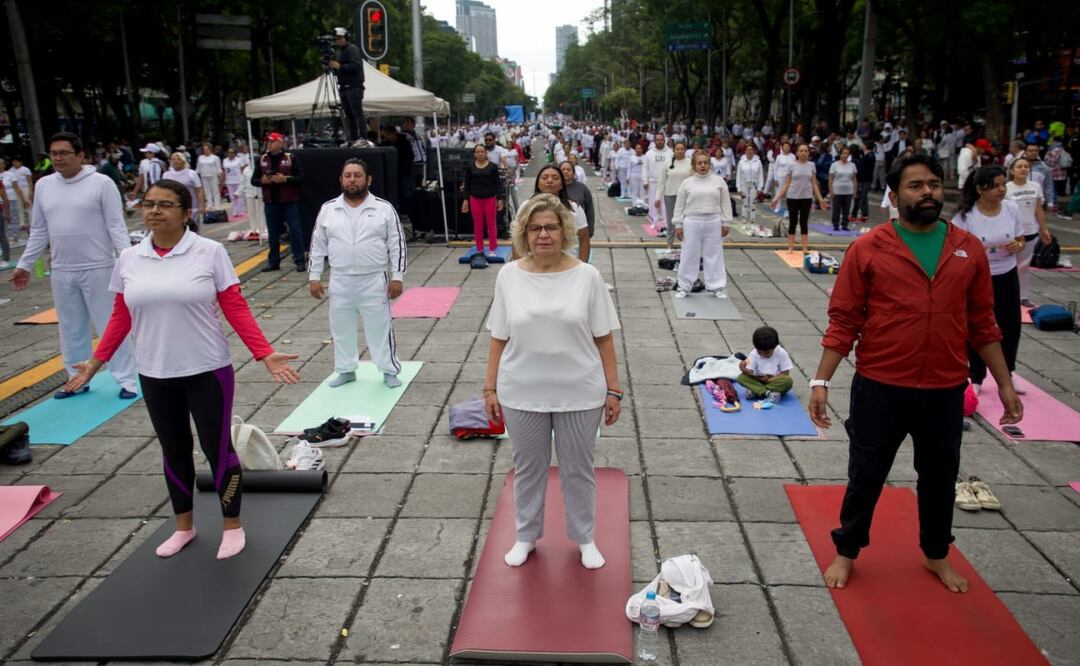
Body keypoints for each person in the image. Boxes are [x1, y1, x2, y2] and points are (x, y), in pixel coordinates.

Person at [809, 153, 1023, 593]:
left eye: (932, 184)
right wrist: (820, 381)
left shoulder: (967, 248)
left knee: (940, 476)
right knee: (866, 473)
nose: (927, 192)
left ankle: (935, 554)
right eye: (915, 185)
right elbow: (843, 321)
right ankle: (847, 551)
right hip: (881, 386)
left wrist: (1004, 383)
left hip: (945, 387)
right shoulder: (869, 248)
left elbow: (984, 323)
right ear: (892, 195)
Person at [61, 179, 300, 560]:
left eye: (166, 205)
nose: (155, 210)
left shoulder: (209, 252)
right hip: (155, 373)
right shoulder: (130, 258)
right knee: (174, 450)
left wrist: (264, 353)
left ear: (186, 213)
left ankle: (232, 526)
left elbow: (234, 305)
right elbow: (121, 314)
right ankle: (184, 527)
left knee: (217, 449)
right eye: (149, 203)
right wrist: (96, 362)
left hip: (207, 370)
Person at [483, 193, 622, 570]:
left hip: (580, 390)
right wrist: (490, 387)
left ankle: (585, 538)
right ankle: (526, 536)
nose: (543, 234)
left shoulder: (587, 276)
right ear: (524, 234)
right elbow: (499, 336)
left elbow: (604, 337)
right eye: (535, 228)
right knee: (528, 467)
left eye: (551, 227)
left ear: (565, 232)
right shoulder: (508, 276)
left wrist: (613, 389)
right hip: (522, 390)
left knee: (579, 467)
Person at [10, 132, 139, 399]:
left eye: (64, 153)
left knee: (109, 326)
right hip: (62, 270)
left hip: (100, 267)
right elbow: (39, 230)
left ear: (80, 155)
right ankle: (76, 378)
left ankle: (126, 380)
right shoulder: (45, 185)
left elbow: (116, 226)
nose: (58, 158)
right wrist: (24, 264)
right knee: (70, 328)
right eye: (54, 153)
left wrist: (128, 263)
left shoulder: (101, 183)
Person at [308, 158, 406, 389]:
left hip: (374, 278)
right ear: (341, 179)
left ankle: (389, 369)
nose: (352, 180)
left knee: (379, 328)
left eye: (357, 175)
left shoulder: (383, 208)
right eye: (348, 175)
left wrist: (397, 276)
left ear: (368, 180)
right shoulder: (328, 209)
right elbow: (317, 245)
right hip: (340, 279)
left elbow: (397, 244)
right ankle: (346, 369)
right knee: (340, 328)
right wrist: (314, 277)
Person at [951, 166, 1024, 394]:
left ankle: (1009, 371)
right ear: (981, 188)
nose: (1002, 189)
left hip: (1007, 273)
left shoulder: (1011, 209)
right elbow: (955, 249)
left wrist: (1017, 245)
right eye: (996, 185)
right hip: (978, 278)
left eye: (1004, 184)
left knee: (1010, 325)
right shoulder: (966, 215)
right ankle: (977, 375)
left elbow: (1020, 238)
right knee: (977, 325)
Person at [672, 151, 733, 298]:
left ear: (710, 164)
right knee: (689, 254)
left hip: (713, 221)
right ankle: (685, 286)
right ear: (694, 165)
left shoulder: (719, 181)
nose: (703, 166)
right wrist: (678, 225)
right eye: (699, 163)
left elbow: (725, 203)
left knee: (714, 254)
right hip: (691, 221)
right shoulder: (686, 183)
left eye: (705, 162)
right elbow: (679, 206)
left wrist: (726, 222)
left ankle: (717, 286)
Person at [251, 132, 306, 273]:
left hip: (289, 201)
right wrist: (262, 181)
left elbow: (300, 178)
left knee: (295, 231)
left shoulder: (290, 157)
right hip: (270, 201)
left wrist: (286, 179)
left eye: (272, 142)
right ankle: (273, 261)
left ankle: (299, 260)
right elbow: (254, 180)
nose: (269, 144)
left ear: (280, 143)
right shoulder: (262, 159)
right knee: (273, 233)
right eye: (268, 142)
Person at [1006, 157, 1052, 307]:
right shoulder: (1006, 188)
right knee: (1008, 266)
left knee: (1024, 267)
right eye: (1019, 166)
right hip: (1011, 234)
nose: (1023, 169)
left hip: (1030, 232)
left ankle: (1023, 296)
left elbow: (1038, 210)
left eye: (1026, 166)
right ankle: (1006, 295)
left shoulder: (1035, 187)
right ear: (1012, 170)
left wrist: (1044, 228)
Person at [524, 165, 589, 262]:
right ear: (537, 183)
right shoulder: (525, 207)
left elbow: (584, 240)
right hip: (534, 267)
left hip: (568, 267)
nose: (549, 181)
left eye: (555, 178)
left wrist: (583, 268)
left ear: (562, 184)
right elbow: (517, 240)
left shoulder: (574, 208)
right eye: (545, 177)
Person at [773, 144, 826, 254]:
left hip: (806, 197)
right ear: (797, 153)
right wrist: (777, 198)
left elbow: (814, 184)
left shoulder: (811, 165)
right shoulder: (792, 166)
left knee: (804, 222)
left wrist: (820, 199)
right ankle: (790, 246)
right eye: (801, 151)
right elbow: (787, 184)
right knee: (793, 221)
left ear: (808, 153)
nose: (803, 153)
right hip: (792, 197)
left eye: (806, 151)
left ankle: (805, 246)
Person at [462, 144, 504, 258]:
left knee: (491, 224)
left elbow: (497, 184)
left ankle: (492, 248)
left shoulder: (493, 167)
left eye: (482, 151)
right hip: (475, 198)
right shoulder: (470, 167)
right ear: (474, 154)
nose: (480, 154)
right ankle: (479, 248)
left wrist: (499, 199)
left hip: (490, 198)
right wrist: (465, 200)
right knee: (478, 225)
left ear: (486, 153)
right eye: (477, 152)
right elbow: (467, 184)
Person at [736, 326, 794, 402]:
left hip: (774, 380)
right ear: (756, 347)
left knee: (788, 381)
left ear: (775, 347)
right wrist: (744, 369)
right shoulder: (754, 353)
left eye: (767, 352)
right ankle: (768, 393)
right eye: (759, 351)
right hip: (758, 380)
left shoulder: (781, 353)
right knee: (741, 378)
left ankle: (757, 392)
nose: (763, 354)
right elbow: (749, 371)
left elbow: (785, 373)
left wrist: (769, 380)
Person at [329, 27, 366, 143]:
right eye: (336, 39)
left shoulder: (352, 49)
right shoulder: (342, 52)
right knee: (349, 115)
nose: (337, 41)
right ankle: (353, 139)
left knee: (357, 113)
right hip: (344, 87)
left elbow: (356, 66)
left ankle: (363, 138)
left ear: (346, 38)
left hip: (353, 86)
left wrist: (340, 66)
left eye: (340, 38)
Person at [657, 141, 693, 250]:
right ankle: (669, 243)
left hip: (687, 197)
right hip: (670, 195)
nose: (680, 151)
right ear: (674, 150)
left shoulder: (690, 163)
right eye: (677, 149)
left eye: (682, 149)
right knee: (671, 220)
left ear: (685, 150)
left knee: (686, 220)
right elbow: (661, 182)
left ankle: (686, 244)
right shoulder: (667, 163)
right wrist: (657, 197)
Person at [161, 152, 205, 230]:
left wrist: (202, 205)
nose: (176, 161)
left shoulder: (192, 173)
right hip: (173, 207)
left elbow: (199, 189)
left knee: (192, 229)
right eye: (173, 159)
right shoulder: (166, 175)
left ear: (183, 161)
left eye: (178, 159)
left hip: (191, 207)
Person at [643, 133, 672, 231]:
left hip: (666, 182)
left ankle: (666, 223)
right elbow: (645, 168)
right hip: (653, 182)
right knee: (653, 202)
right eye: (657, 140)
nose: (659, 141)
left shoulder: (670, 152)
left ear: (664, 140)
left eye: (661, 140)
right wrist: (645, 181)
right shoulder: (649, 153)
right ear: (654, 141)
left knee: (665, 203)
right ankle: (654, 221)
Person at [561, 160, 595, 239]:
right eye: (563, 170)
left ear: (573, 173)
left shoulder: (582, 188)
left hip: (578, 229)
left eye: (568, 170)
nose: (565, 172)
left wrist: (590, 230)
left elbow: (589, 210)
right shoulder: (555, 188)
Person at [828, 147, 858, 230]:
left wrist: (855, 191)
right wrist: (831, 190)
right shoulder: (834, 165)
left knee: (847, 209)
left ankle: (845, 224)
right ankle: (835, 224)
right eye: (844, 153)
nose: (845, 155)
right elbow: (830, 178)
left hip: (848, 190)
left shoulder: (852, 165)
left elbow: (854, 179)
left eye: (847, 154)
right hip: (837, 190)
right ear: (840, 154)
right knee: (836, 209)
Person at [735, 144, 764, 225]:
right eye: (748, 150)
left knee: (753, 203)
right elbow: (738, 175)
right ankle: (744, 221)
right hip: (744, 184)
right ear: (745, 151)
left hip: (754, 185)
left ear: (754, 151)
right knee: (744, 203)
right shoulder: (741, 162)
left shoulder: (758, 162)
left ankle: (752, 221)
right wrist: (738, 188)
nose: (749, 151)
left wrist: (760, 188)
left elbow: (760, 175)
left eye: (751, 150)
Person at [196, 143, 224, 210]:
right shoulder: (200, 157)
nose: (205, 150)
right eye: (204, 149)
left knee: (215, 190)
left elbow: (218, 168)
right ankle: (209, 204)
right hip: (204, 175)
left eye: (207, 149)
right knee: (207, 191)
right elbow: (198, 168)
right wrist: (197, 175)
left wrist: (220, 177)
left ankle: (217, 204)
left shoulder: (215, 157)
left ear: (210, 149)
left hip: (213, 175)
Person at [222, 147, 246, 219]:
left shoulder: (239, 160)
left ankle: (241, 211)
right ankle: (235, 212)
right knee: (232, 197)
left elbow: (242, 169)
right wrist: (223, 180)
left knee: (240, 196)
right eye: (229, 152)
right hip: (229, 180)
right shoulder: (225, 161)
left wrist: (243, 179)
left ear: (235, 154)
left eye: (232, 152)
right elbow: (224, 171)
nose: (230, 154)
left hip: (238, 180)